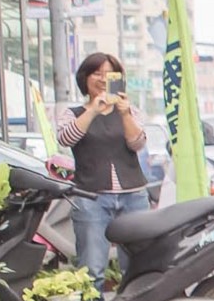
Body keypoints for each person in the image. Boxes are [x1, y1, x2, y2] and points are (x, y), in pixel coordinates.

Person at [57, 52, 149, 288]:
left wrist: (124, 113)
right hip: (91, 197)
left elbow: (137, 143)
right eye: (97, 74)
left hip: (133, 196)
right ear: (85, 78)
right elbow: (66, 139)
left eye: (110, 75)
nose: (103, 79)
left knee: (137, 264)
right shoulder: (74, 113)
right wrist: (93, 110)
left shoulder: (129, 111)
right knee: (92, 267)